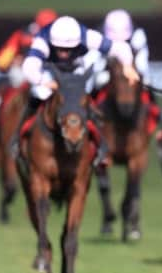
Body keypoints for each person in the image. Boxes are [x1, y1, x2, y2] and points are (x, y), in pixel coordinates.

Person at [14, 15, 139, 166]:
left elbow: (120, 48)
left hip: (75, 68)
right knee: (40, 93)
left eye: (68, 49)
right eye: (60, 49)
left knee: (83, 97)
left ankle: (99, 143)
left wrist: (127, 66)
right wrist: (44, 81)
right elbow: (29, 67)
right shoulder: (42, 41)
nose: (64, 54)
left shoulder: (87, 36)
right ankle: (17, 137)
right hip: (49, 69)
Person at [0, 9, 58, 122]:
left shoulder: (60, 36)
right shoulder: (22, 35)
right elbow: (2, 61)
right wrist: (14, 61)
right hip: (25, 73)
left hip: (50, 73)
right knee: (17, 78)